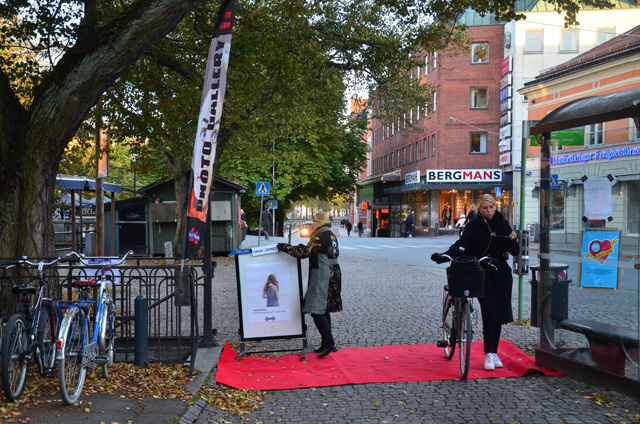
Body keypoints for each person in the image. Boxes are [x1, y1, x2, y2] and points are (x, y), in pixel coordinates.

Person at [431, 194, 519, 371]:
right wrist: (445, 255)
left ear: (496, 207)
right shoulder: (474, 226)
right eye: (485, 208)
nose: (488, 211)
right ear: (479, 209)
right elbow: (461, 245)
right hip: (482, 272)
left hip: (501, 272)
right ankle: (488, 353)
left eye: (491, 207)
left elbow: (514, 251)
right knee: (489, 311)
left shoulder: (502, 223)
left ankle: (494, 352)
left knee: (500, 313)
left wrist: (513, 239)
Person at [278, 211, 342, 358]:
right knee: (323, 309)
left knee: (316, 310)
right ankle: (326, 343)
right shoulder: (330, 234)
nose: (313, 224)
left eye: (314, 221)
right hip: (333, 273)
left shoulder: (320, 235)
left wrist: (285, 248)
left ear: (319, 222)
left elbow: (304, 253)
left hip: (323, 274)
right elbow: (314, 251)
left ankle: (330, 343)